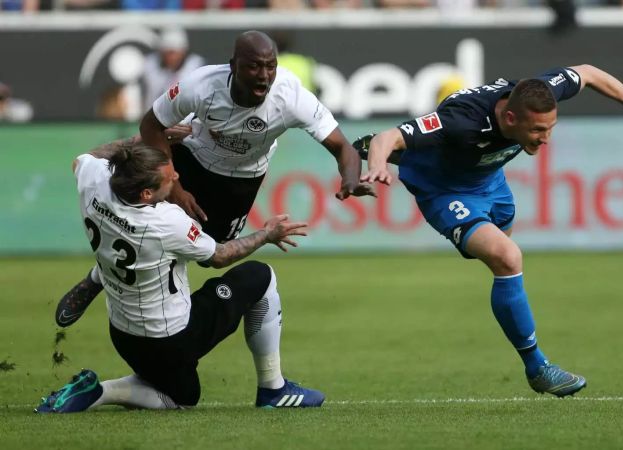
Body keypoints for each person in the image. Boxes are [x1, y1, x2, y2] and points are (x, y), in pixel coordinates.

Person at [356, 64, 623, 396]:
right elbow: (389, 136)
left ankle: (425, 165)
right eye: (537, 131)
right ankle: (538, 368)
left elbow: (588, 72)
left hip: (491, 183)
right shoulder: (461, 120)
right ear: (511, 119)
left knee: (504, 255)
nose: (546, 139)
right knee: (507, 257)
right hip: (446, 191)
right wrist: (377, 166)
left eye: (550, 128)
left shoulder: (539, 90)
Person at [54, 30, 373, 328]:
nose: (264, 75)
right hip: (190, 158)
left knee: (210, 255)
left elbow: (342, 146)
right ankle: (101, 281)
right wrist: (176, 187)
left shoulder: (291, 97)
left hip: (241, 179)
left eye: (270, 67)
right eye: (254, 67)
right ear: (233, 66)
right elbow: (151, 124)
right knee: (144, 223)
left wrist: (349, 178)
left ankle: (114, 282)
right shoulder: (201, 85)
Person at [36, 143, 322, 413]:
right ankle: (274, 388)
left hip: (122, 333)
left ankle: (99, 278)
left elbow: (85, 158)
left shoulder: (94, 182)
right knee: (260, 276)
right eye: (167, 177)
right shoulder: (166, 222)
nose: (176, 175)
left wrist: (137, 143)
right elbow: (219, 256)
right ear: (147, 194)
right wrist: (266, 235)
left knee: (179, 391)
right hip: (169, 339)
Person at [142, 27, 206, 111]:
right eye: (167, 53)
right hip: (152, 117)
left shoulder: (196, 67)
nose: (171, 58)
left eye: (174, 53)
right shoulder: (149, 65)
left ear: (183, 51)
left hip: (185, 119)